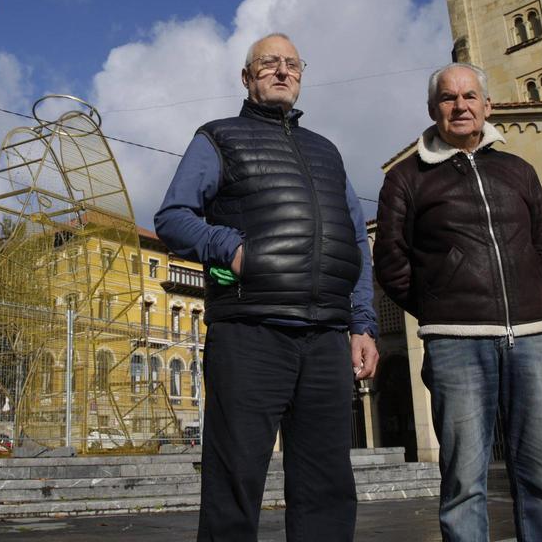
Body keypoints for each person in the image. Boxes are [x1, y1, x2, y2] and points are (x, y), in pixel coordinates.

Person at [155, 32, 379, 542]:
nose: (282, 71)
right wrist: (230, 246)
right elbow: (172, 217)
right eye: (268, 63)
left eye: (291, 64)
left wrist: (362, 323)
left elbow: (356, 244)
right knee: (235, 482)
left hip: (325, 338)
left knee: (327, 486)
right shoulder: (218, 137)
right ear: (247, 77)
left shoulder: (328, 151)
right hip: (250, 333)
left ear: (301, 75)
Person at [373, 63, 542, 542]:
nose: (460, 105)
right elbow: (390, 260)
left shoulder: (519, 170)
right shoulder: (406, 178)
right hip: (455, 344)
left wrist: (531, 297)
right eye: (448, 98)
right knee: (463, 479)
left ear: (486, 105)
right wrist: (438, 307)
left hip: (533, 337)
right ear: (432, 109)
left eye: (469, 96)